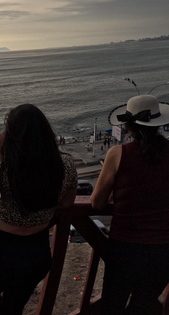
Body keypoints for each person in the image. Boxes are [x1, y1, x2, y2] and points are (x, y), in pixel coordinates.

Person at [0, 104, 77, 315]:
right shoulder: (66, 165)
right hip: (37, 250)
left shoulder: (10, 165)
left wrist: (1, 152)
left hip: (1, 249)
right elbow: (66, 204)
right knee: (13, 309)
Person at [91, 94, 169, 315]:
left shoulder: (117, 154)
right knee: (142, 308)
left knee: (112, 307)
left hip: (125, 249)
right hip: (163, 251)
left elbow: (97, 203)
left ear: (128, 126)